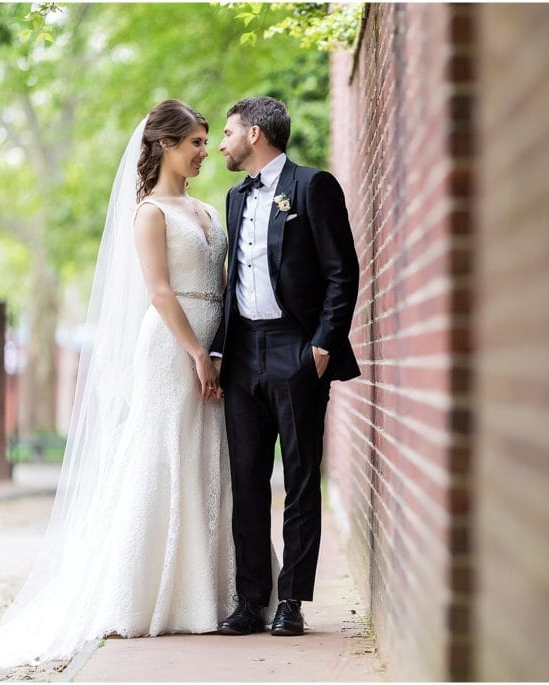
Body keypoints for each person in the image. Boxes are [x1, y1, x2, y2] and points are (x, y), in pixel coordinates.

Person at [0, 99, 259, 675]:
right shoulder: (149, 214)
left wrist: (217, 353)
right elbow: (160, 293)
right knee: (161, 457)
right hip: (168, 348)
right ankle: (146, 592)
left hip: (213, 347)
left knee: (211, 459)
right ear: (164, 145)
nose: (205, 153)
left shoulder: (209, 210)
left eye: (208, 143)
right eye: (194, 144)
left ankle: (210, 592)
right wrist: (193, 354)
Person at [211, 96, 360, 637]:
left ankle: (291, 600)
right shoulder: (233, 197)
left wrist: (321, 345)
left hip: (296, 350)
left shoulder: (312, 186)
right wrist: (221, 349)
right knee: (246, 480)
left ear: (255, 133)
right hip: (244, 351)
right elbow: (234, 281)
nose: (221, 143)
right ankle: (251, 599)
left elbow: (343, 271)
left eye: (228, 132)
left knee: (299, 478)